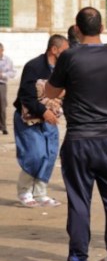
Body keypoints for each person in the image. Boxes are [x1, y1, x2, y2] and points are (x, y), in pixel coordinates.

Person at [45, 7, 107, 261]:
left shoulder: (69, 57)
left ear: (77, 29)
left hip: (80, 137)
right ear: (103, 27)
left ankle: (78, 260)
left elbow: (51, 90)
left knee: (79, 199)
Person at [14, 34, 68, 207]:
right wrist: (44, 112)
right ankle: (24, 191)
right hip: (30, 119)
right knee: (36, 155)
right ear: (54, 50)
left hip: (50, 120)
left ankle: (41, 193)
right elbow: (26, 96)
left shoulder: (62, 69)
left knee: (50, 155)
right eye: (65, 51)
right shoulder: (34, 66)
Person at [0, 42, 15, 135]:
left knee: (2, 106)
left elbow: (12, 73)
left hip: (1, 84)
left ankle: (3, 127)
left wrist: (2, 75)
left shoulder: (7, 60)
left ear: (2, 50)